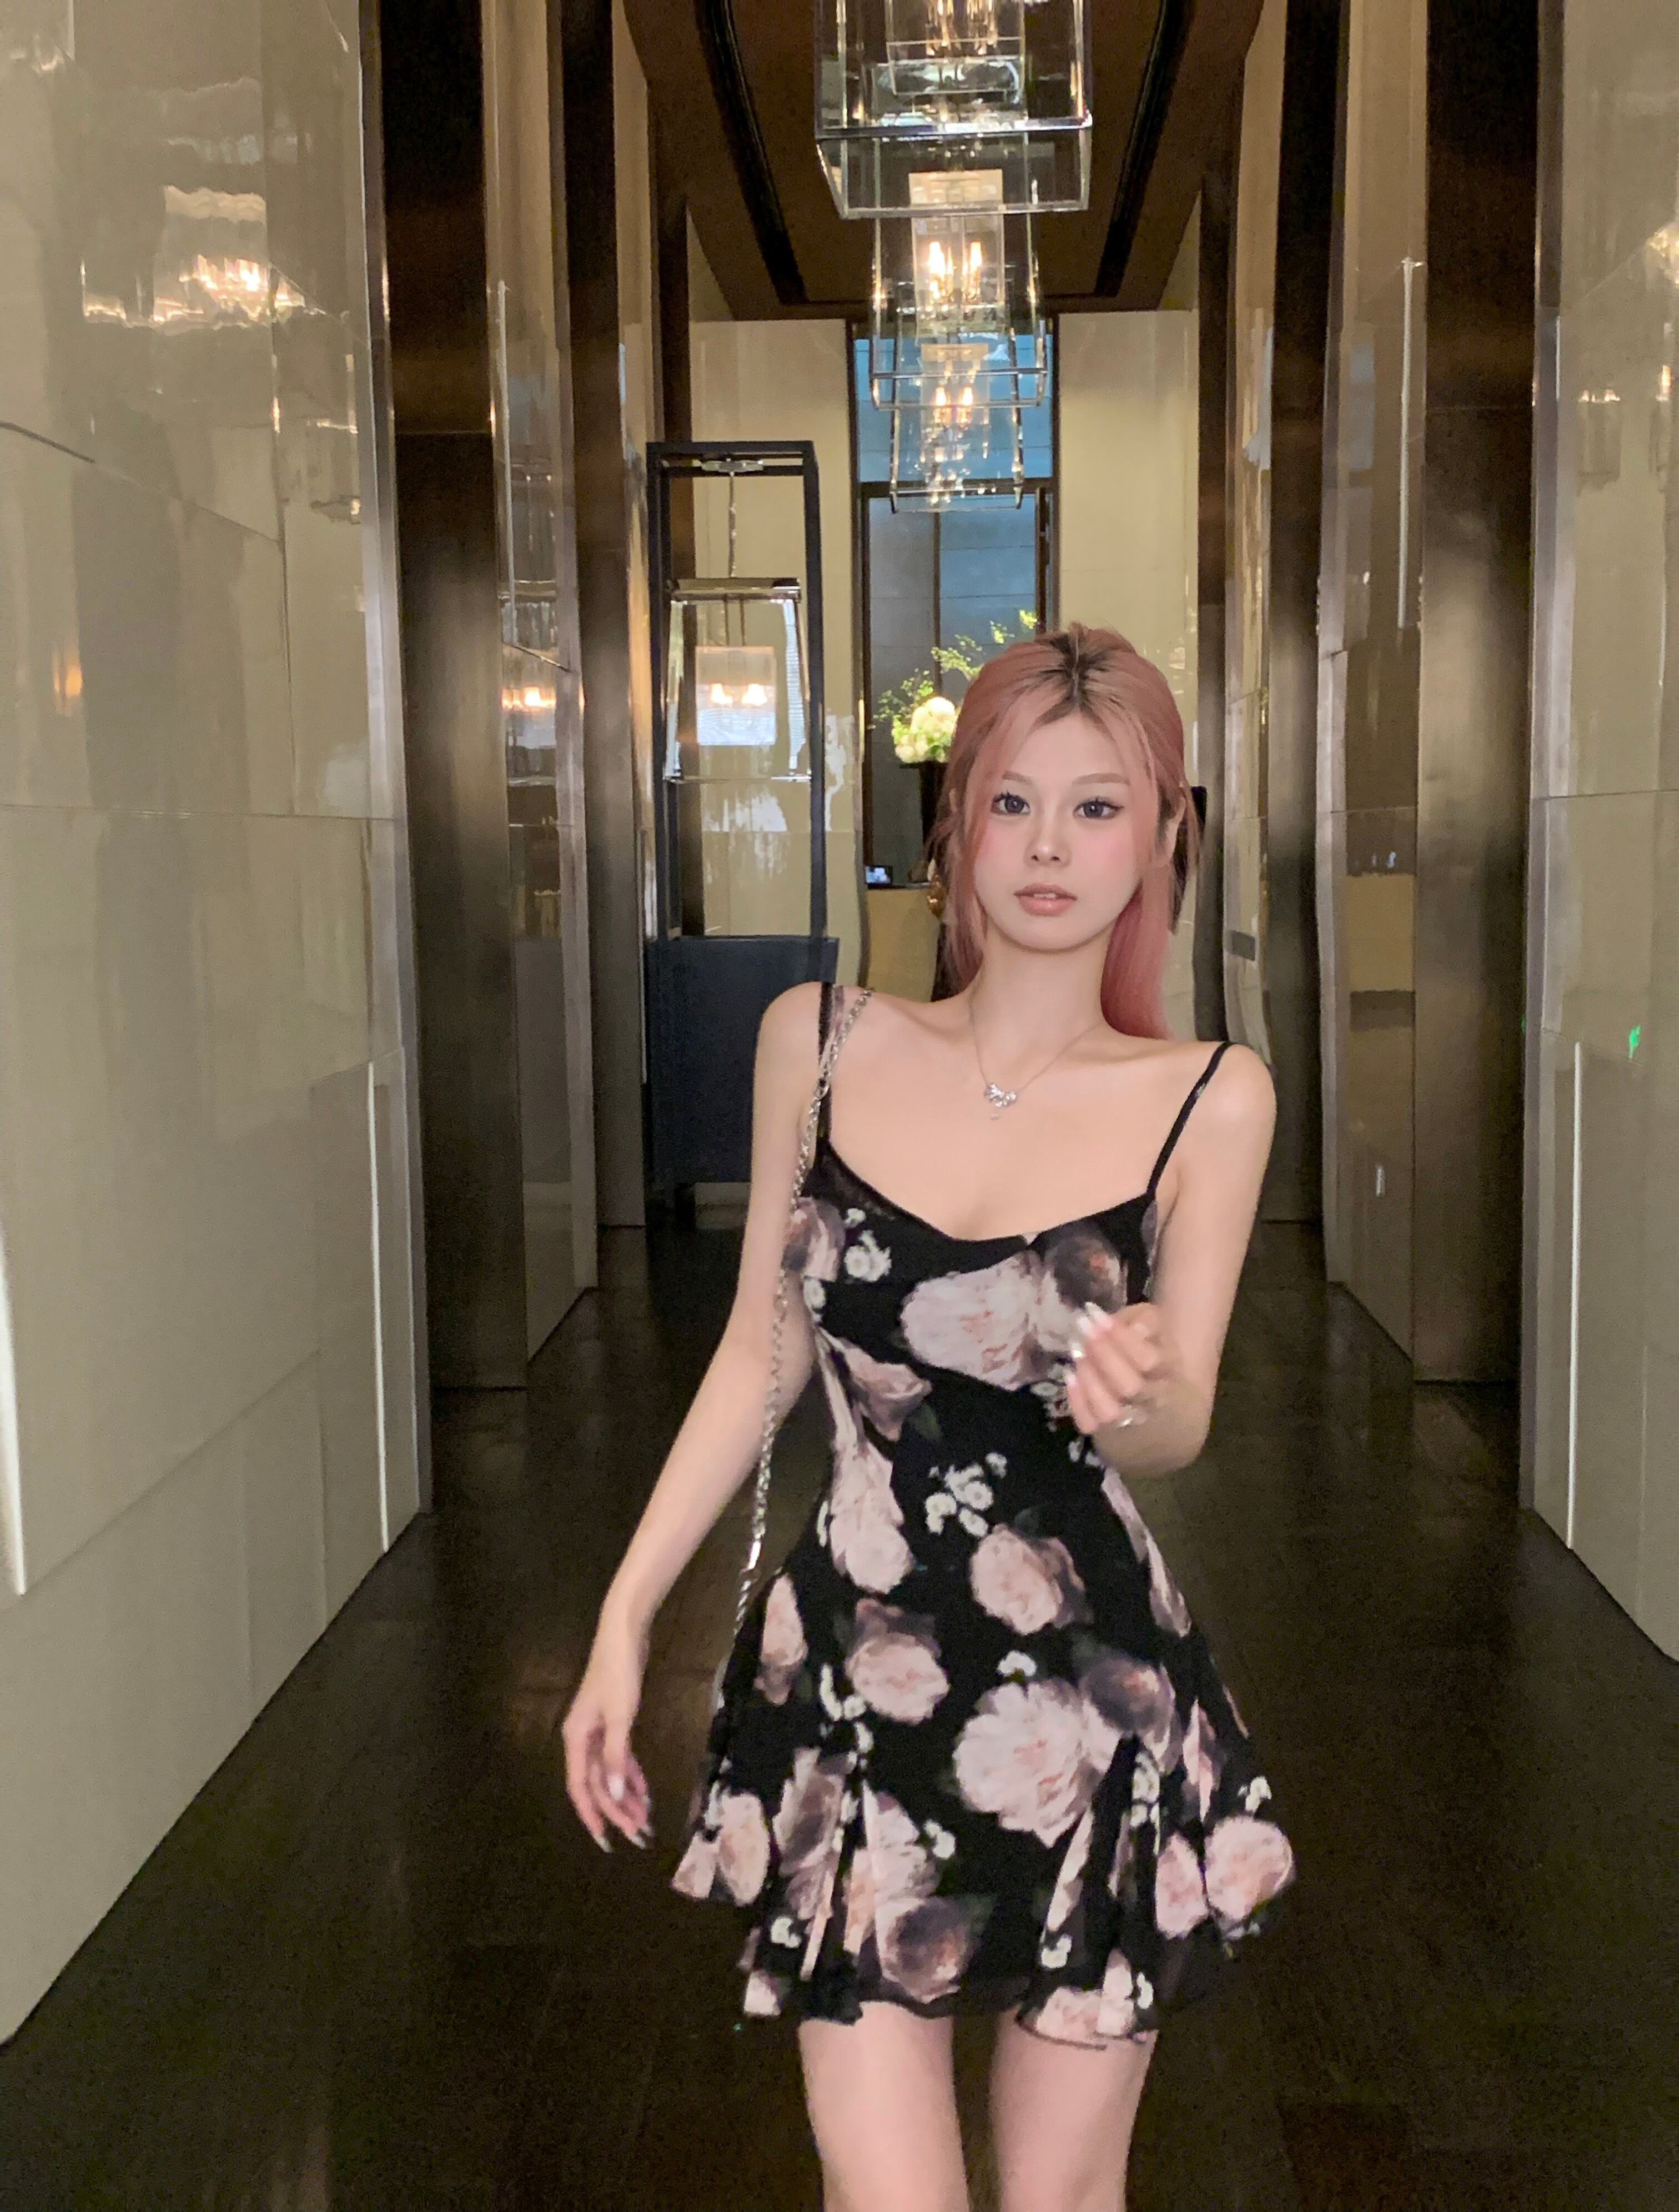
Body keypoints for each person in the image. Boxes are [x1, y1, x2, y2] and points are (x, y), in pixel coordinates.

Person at [563, 625, 1294, 2212]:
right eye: (1012, 802)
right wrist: (625, 1618)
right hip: (855, 1686)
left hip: (1089, 1704)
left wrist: (1144, 1393)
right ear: (957, 819)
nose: (1049, 848)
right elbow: (758, 1357)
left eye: (1097, 809)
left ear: (1163, 831)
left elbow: (1178, 1422)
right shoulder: (819, 1041)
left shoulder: (1210, 1095)